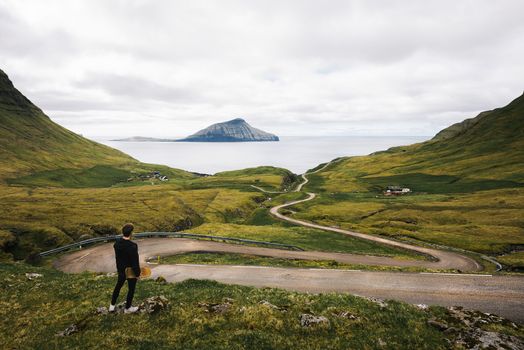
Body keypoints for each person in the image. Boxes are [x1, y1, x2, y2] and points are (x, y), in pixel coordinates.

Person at [109, 223, 140, 313]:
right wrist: (137, 274)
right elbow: (135, 262)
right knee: (131, 289)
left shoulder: (117, 244)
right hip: (130, 271)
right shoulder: (133, 246)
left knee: (118, 286)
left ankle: (112, 305)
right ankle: (128, 308)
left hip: (121, 270)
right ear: (131, 233)